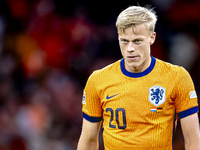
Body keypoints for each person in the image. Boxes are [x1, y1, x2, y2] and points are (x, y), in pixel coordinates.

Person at [77, 6, 200, 150]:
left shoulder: (177, 77)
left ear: (152, 38)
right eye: (124, 41)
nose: (130, 48)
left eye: (137, 41)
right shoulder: (98, 80)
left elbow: (192, 140)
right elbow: (89, 141)